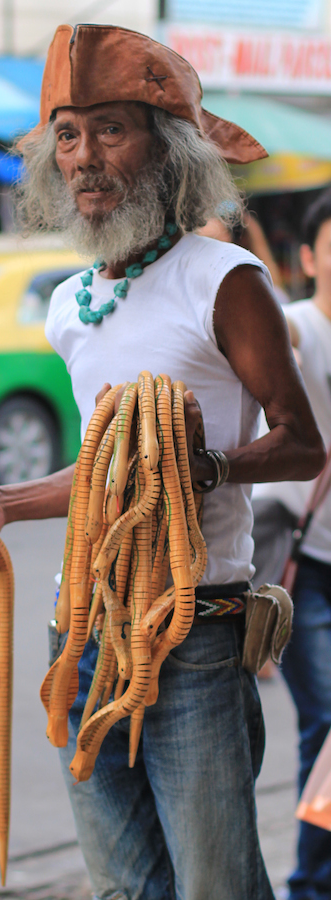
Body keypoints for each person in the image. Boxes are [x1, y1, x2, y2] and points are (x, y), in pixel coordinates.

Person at [0, 25, 325, 900]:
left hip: (195, 636)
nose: (84, 156)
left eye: (111, 129)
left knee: (215, 887)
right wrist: (2, 500)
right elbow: (110, 473)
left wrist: (207, 468)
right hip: (82, 632)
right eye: (68, 134)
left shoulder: (224, 280)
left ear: (168, 149)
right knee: (123, 887)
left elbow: (302, 444)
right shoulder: (71, 307)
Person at [253, 187, 331, 900]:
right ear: (309, 257)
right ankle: (311, 883)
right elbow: (275, 334)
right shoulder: (297, 328)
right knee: (328, 718)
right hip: (309, 565)